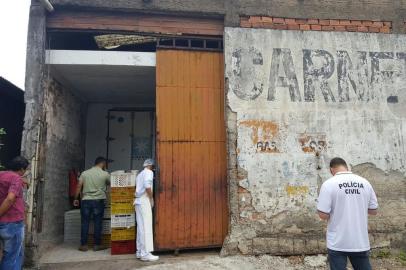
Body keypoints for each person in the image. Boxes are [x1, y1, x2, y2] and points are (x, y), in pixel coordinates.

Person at [317, 157, 378, 270]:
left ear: (331, 170)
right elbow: (373, 210)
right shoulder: (365, 182)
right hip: (360, 241)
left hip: (338, 242)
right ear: (346, 167)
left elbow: (323, 215)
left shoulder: (329, 184)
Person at [73, 157, 110, 251]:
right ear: (103, 163)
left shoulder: (85, 173)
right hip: (98, 201)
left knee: (85, 223)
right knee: (98, 223)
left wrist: (76, 198)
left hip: (86, 200)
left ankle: (84, 245)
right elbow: (111, 183)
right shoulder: (105, 174)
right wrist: (105, 171)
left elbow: (78, 186)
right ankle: (97, 245)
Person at [0, 156, 29, 270]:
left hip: (4, 224)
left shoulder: (2, 175)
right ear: (21, 169)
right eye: (25, 170)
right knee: (12, 257)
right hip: (12, 223)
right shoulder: (16, 178)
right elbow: (10, 198)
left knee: (15, 254)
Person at [134, 159, 159, 262]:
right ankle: (145, 254)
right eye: (153, 166)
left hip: (138, 201)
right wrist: (151, 198)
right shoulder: (149, 172)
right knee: (146, 228)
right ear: (151, 166)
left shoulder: (140, 174)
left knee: (141, 228)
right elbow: (147, 186)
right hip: (144, 201)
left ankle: (139, 252)